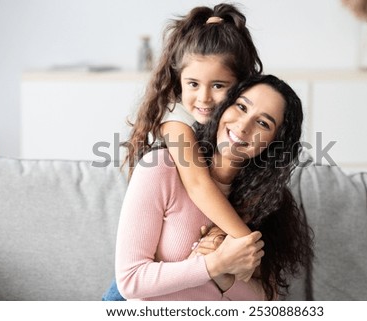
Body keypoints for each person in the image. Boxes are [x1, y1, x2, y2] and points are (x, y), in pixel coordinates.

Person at [103, 3, 262, 300]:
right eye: (193, 84)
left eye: (218, 85)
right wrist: (243, 241)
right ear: (178, 82)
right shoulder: (176, 120)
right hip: (130, 298)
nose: (204, 97)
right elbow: (199, 185)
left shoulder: (239, 135)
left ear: (242, 86)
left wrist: (221, 239)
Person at [115, 74, 314, 300]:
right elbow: (130, 281)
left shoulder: (267, 202)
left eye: (263, 123)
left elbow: (268, 301)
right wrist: (215, 264)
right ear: (223, 106)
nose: (243, 125)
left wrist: (225, 278)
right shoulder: (162, 168)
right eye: (241, 107)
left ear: (274, 144)